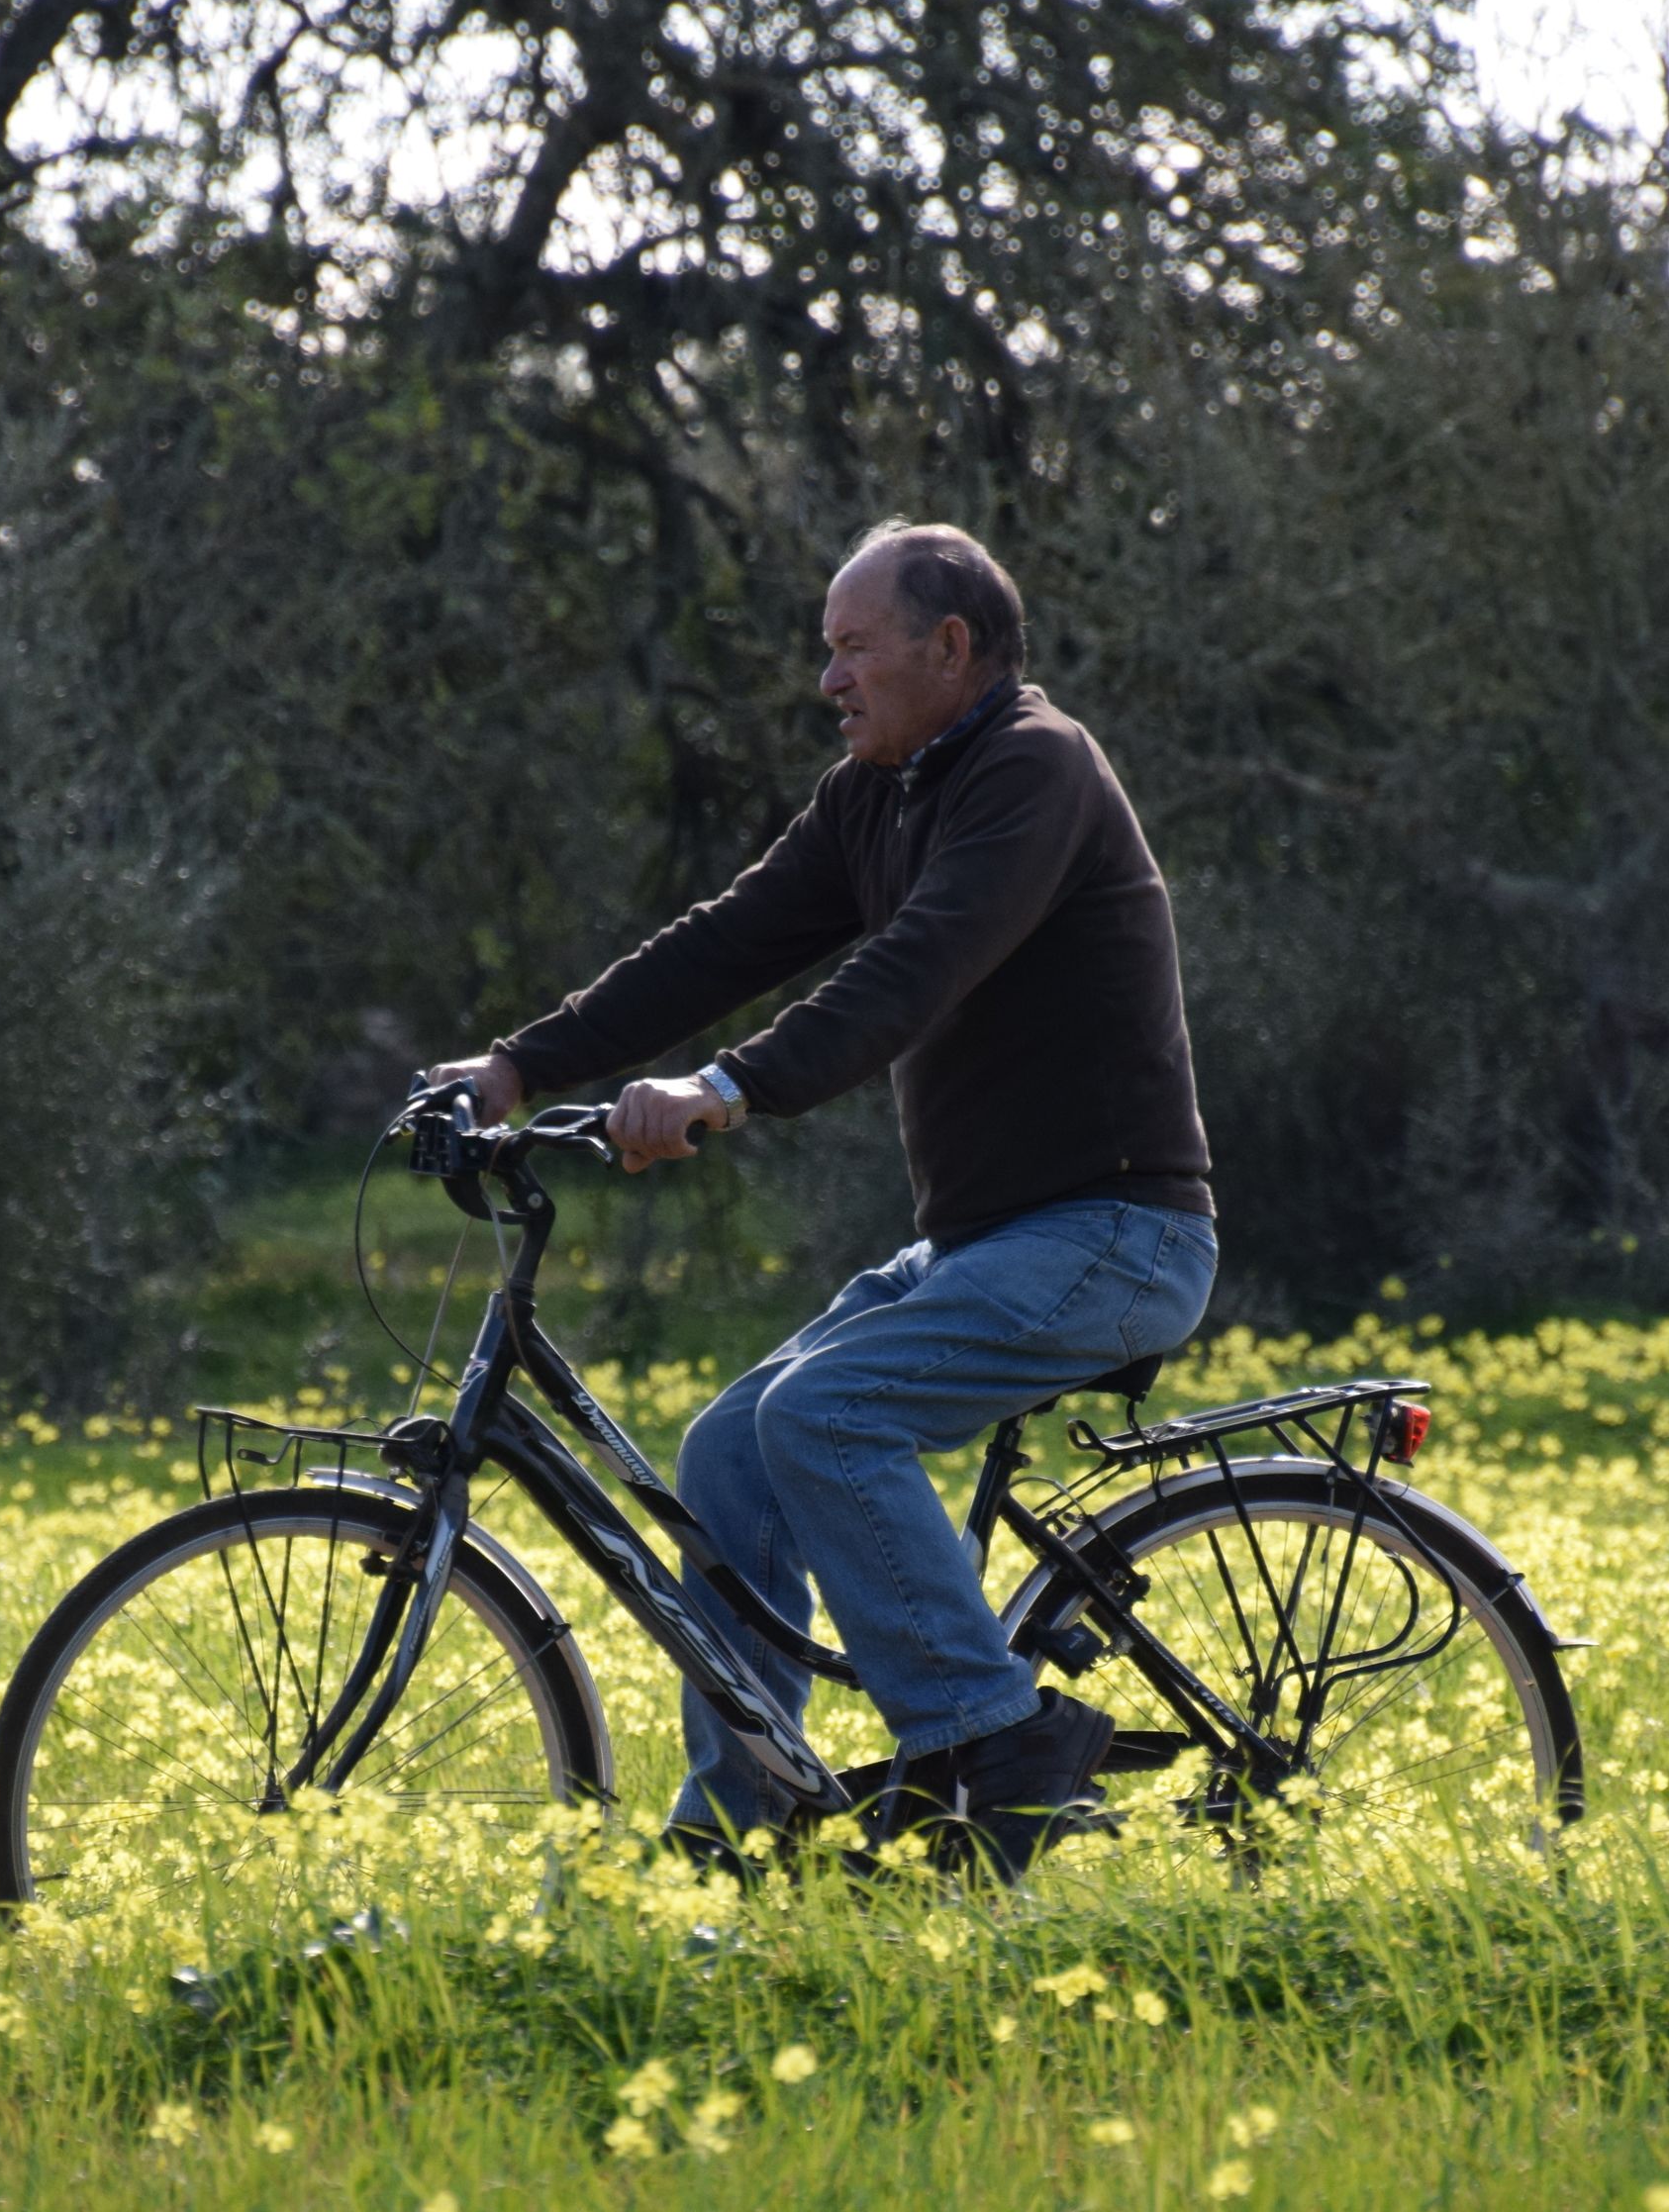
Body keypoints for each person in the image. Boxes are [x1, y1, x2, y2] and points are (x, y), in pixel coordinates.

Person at [430, 521, 1217, 1877]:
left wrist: (726, 1091)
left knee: (825, 1413)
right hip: (990, 1241)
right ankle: (747, 1827)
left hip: (1117, 1235)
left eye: (855, 648)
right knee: (733, 1451)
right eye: (826, 652)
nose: (829, 681)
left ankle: (990, 1743)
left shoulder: (1034, 771)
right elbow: (725, 943)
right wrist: (516, 1067)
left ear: (949, 647)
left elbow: (919, 965)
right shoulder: (877, 795)